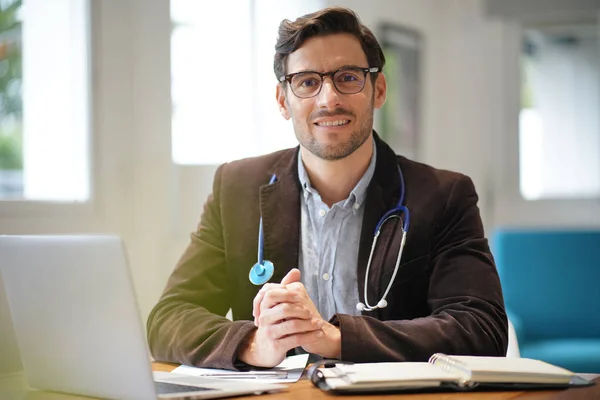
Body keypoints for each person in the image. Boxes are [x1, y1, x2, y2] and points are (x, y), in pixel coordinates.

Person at [147, 6, 508, 370]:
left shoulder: (442, 195)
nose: (328, 98)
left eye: (348, 77)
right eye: (306, 82)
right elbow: (169, 318)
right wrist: (254, 343)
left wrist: (334, 337)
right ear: (282, 101)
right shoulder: (237, 188)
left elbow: (481, 328)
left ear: (378, 89)